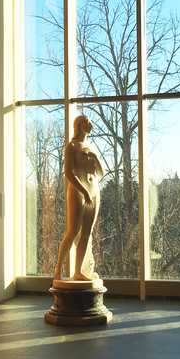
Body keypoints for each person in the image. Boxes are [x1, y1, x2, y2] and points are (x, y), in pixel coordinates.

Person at [54, 115, 104, 281]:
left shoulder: (90, 146)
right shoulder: (72, 146)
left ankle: (78, 271)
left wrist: (95, 157)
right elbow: (68, 173)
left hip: (94, 189)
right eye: (87, 122)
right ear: (79, 125)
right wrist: (84, 191)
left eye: (90, 122)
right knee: (73, 231)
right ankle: (57, 270)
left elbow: (101, 174)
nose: (90, 124)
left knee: (87, 233)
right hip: (77, 191)